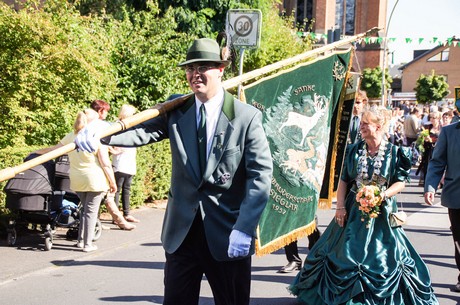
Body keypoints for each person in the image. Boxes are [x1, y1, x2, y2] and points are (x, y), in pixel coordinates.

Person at [75, 38, 273, 305]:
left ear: (221, 69)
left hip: (228, 233)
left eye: (203, 67)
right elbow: (140, 131)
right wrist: (103, 130)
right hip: (182, 235)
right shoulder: (177, 110)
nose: (195, 75)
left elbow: (259, 177)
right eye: (190, 69)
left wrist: (245, 228)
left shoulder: (245, 117)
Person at [289, 106, 439, 304]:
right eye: (361, 123)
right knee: (342, 251)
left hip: (382, 211)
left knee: (386, 254)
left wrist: (382, 194)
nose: (361, 127)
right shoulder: (354, 150)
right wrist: (340, 207)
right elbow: (344, 181)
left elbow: (400, 181)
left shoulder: (395, 153)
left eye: (366, 124)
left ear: (378, 126)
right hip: (353, 210)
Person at [35, 109, 117, 252]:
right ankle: (87, 244)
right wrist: (113, 182)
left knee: (84, 210)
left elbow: (54, 150)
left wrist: (36, 152)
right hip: (94, 179)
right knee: (90, 212)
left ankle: (81, 241)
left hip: (77, 179)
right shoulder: (96, 137)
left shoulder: (71, 136)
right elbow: (105, 163)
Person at [424, 119, 460, 293]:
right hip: (456, 196)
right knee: (459, 239)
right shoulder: (449, 132)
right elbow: (437, 162)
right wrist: (431, 186)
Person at [90, 100, 136, 231]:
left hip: (126, 163)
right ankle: (108, 220)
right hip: (112, 164)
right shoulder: (107, 125)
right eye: (105, 111)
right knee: (111, 191)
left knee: (119, 190)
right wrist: (113, 150)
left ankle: (119, 217)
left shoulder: (102, 125)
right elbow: (103, 142)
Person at [111, 104, 140, 223]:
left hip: (129, 161)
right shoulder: (117, 125)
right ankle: (116, 216)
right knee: (117, 189)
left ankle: (126, 213)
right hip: (120, 162)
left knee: (126, 188)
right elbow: (109, 141)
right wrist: (113, 150)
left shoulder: (131, 125)